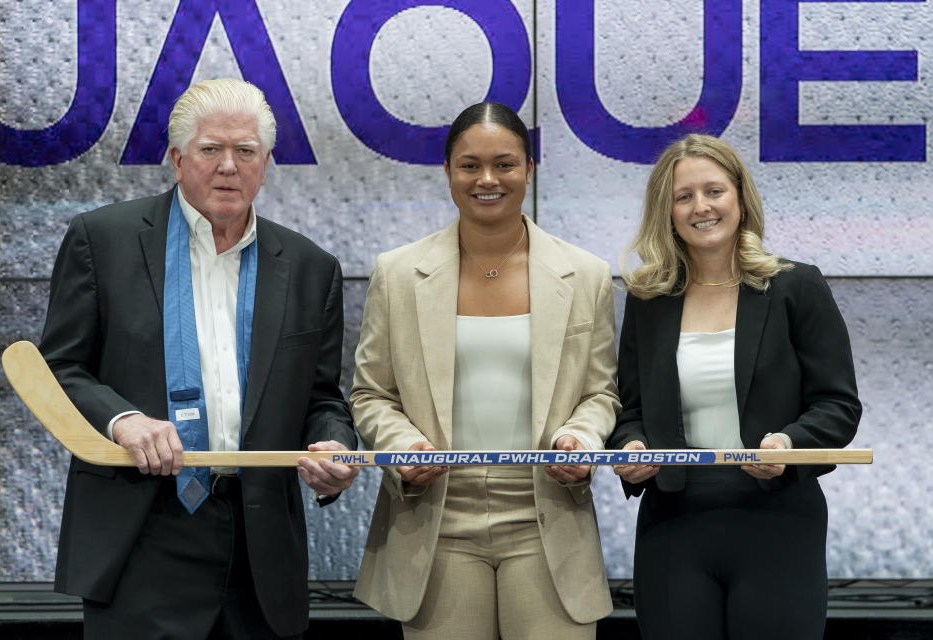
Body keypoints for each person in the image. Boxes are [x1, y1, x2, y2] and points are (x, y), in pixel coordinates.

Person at [39, 78, 359, 639]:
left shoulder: (312, 268)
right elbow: (60, 370)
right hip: (141, 530)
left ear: (266, 163)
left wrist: (335, 449)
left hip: (257, 544)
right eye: (212, 150)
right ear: (177, 159)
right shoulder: (102, 240)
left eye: (246, 152)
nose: (229, 167)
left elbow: (323, 398)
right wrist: (123, 420)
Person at [350, 102, 619, 639]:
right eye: (470, 165)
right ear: (447, 171)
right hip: (436, 524)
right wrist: (402, 445)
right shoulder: (398, 273)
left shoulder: (586, 274)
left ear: (529, 169)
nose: (488, 179)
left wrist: (580, 437)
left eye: (505, 163)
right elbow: (371, 394)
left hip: (547, 523)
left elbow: (601, 393)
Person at [608, 134, 862, 640]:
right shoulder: (648, 299)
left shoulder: (797, 285)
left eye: (714, 191)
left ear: (740, 199)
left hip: (776, 516)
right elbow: (629, 407)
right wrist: (628, 446)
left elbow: (837, 404)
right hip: (673, 520)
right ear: (668, 211)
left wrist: (789, 444)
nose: (700, 207)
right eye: (684, 196)